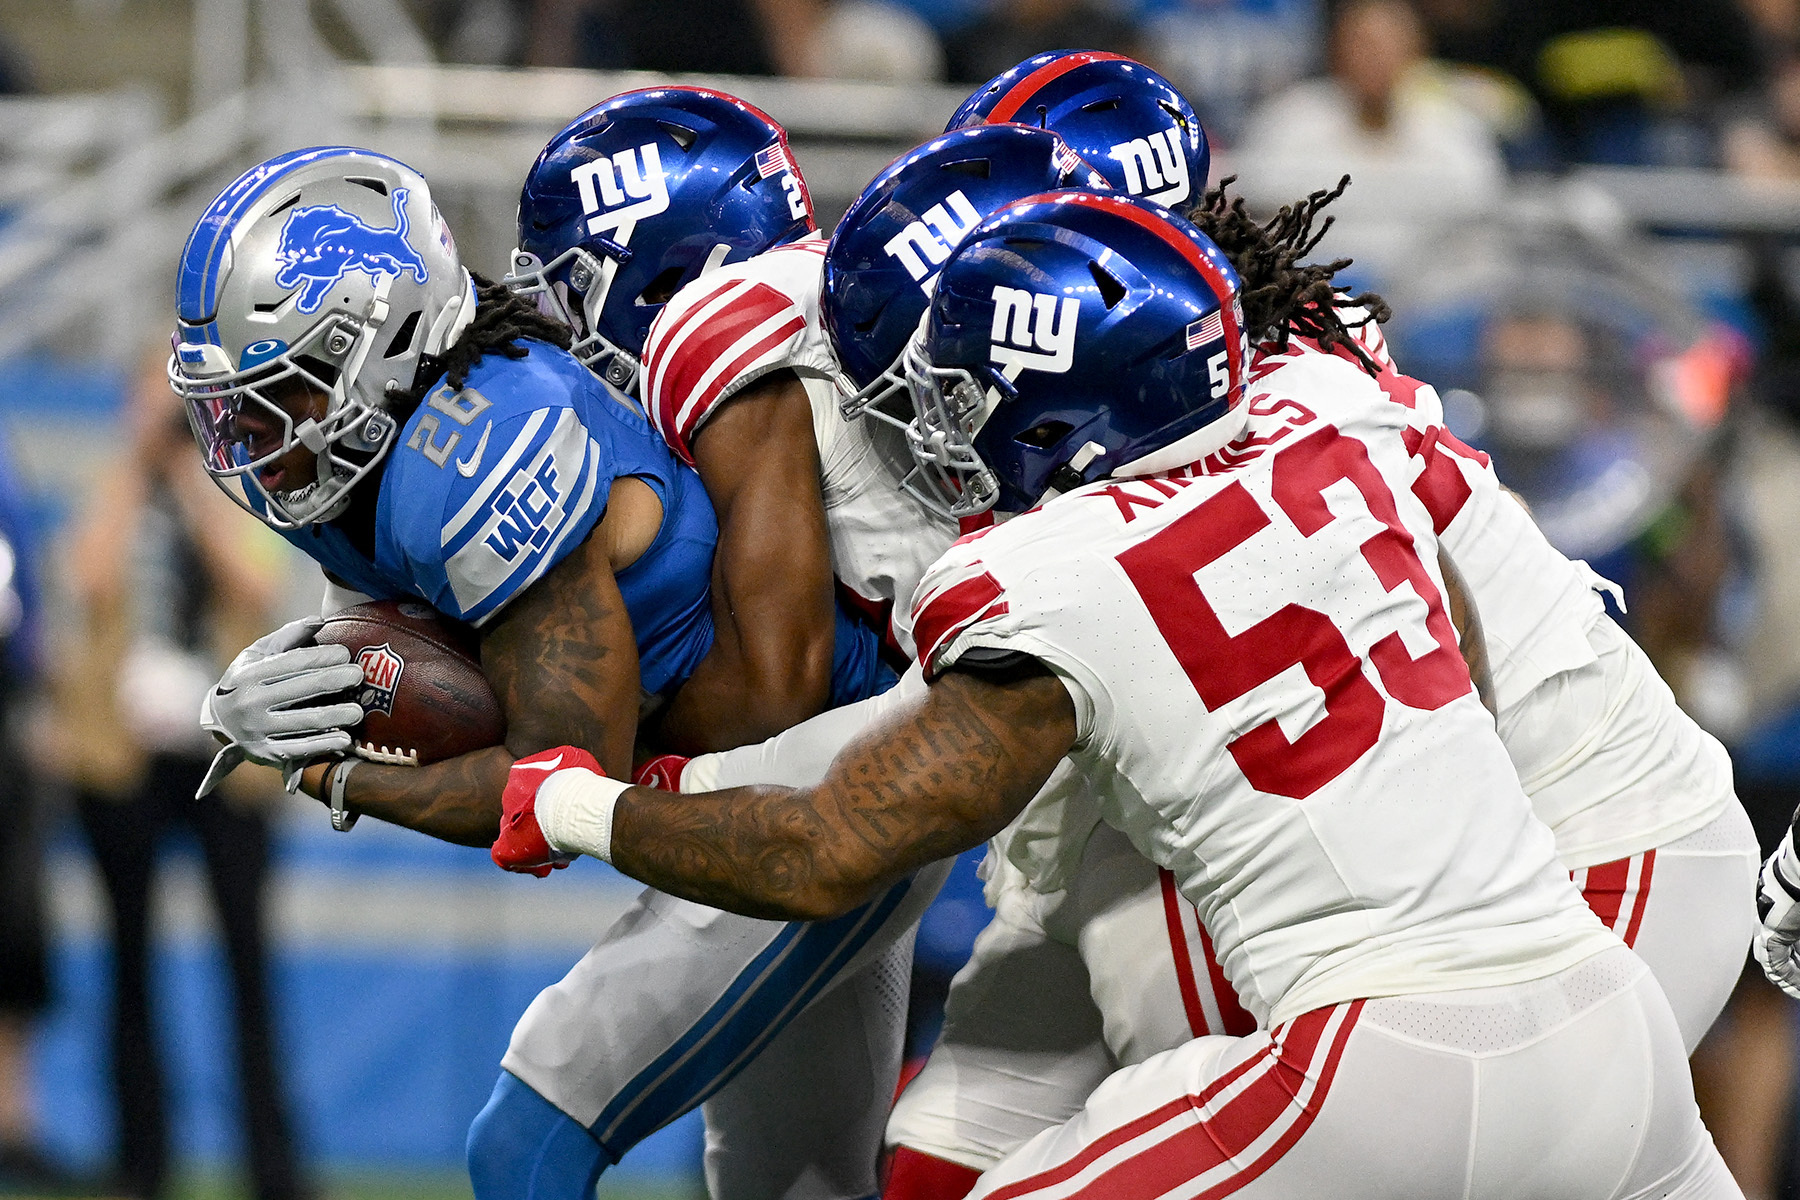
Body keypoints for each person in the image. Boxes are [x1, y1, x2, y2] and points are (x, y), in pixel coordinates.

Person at [495, 189, 1735, 1197]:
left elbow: (823, 848)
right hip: (1605, 1025)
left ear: (1061, 413)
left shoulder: (1050, 574)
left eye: (963, 403)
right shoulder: (1331, 433)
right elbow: (1459, 658)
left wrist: (575, 807)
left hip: (1372, 1068)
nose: (938, 438)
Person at [169, 144, 919, 1200]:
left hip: (809, 776)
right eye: (234, 410)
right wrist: (263, 691)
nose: (252, 441)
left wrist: (331, 773)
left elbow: (561, 782)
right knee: (798, 1187)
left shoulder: (480, 451)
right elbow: (386, 659)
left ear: (381, 344)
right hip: (771, 774)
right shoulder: (378, 455)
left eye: (280, 398)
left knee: (529, 1138)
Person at [466, 118, 1108, 1200]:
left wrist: (608, 758)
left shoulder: (717, 325)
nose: (568, 323)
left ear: (662, 264)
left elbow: (775, 684)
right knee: (795, 1183)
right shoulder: (811, 304)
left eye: (578, 284)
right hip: (932, 737)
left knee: (531, 1128)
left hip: (875, 767)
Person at [53, 348, 309, 1200]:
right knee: (129, 968)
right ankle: (141, 1166)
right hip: (124, 761)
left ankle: (273, 1170)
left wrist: (196, 476)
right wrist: (135, 466)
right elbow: (87, 579)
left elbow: (254, 582)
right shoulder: (112, 486)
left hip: (225, 766)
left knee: (248, 970)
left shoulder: (239, 487)